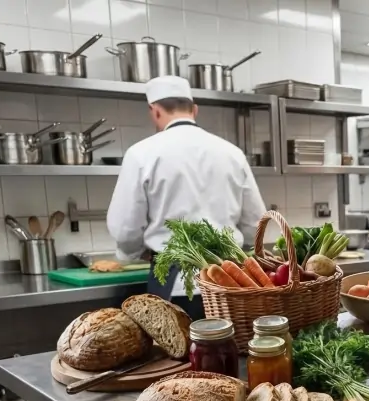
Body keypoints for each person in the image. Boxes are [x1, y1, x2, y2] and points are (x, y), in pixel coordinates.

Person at [107, 76, 267, 319]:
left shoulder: (141, 154)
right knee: (232, 354)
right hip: (230, 282)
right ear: (194, 110)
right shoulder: (232, 153)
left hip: (174, 285)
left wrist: (130, 254)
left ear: (154, 111)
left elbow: (125, 228)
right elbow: (256, 223)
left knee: (178, 356)